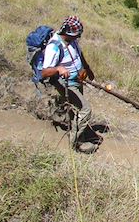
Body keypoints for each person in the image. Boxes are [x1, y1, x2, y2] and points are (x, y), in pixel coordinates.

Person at [40, 15, 98, 153]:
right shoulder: (54, 47)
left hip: (77, 80)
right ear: (68, 33)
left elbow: (79, 55)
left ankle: (79, 135)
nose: (77, 38)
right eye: (75, 35)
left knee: (76, 110)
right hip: (66, 84)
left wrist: (87, 68)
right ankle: (74, 143)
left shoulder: (71, 41)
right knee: (85, 110)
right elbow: (45, 72)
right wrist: (58, 69)